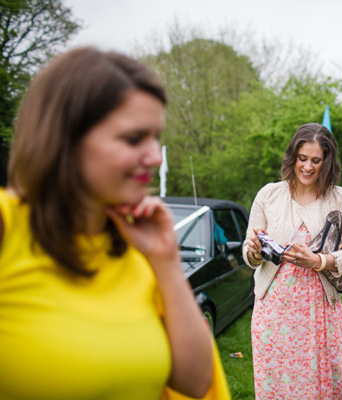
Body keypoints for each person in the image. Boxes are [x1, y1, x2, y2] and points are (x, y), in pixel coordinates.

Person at [0, 47, 215, 399]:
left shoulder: (137, 247)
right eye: (133, 138)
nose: (154, 156)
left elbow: (194, 381)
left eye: (155, 136)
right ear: (65, 139)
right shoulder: (6, 226)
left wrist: (166, 261)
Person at [243, 123, 342, 399]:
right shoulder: (268, 195)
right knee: (278, 384)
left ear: (327, 161)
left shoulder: (339, 197)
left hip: (319, 310)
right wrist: (253, 249)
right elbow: (250, 253)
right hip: (274, 311)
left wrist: (319, 260)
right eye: (302, 158)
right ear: (292, 157)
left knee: (319, 385)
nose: (308, 167)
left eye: (316, 160)